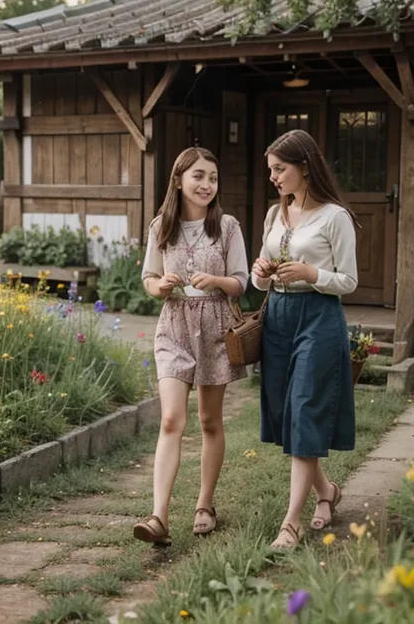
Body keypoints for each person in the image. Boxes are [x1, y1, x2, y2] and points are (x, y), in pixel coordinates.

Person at [134, 146, 248, 547]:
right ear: (179, 180)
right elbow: (149, 277)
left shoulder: (227, 226)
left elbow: (241, 281)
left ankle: (204, 504)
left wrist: (216, 282)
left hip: (215, 326)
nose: (206, 184)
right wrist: (159, 286)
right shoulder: (160, 226)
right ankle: (158, 517)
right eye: (198, 176)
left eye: (213, 178)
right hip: (175, 326)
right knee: (171, 420)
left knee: (209, 422)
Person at [251, 129, 358, 549]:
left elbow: (348, 281)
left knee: (305, 409)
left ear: (305, 167)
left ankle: (290, 523)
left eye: (280, 169)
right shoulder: (275, 215)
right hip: (278, 316)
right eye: (271, 171)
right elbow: (263, 275)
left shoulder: (336, 217)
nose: (274, 178)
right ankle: (327, 491)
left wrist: (311, 274)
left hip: (319, 317)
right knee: (287, 413)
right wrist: (262, 273)